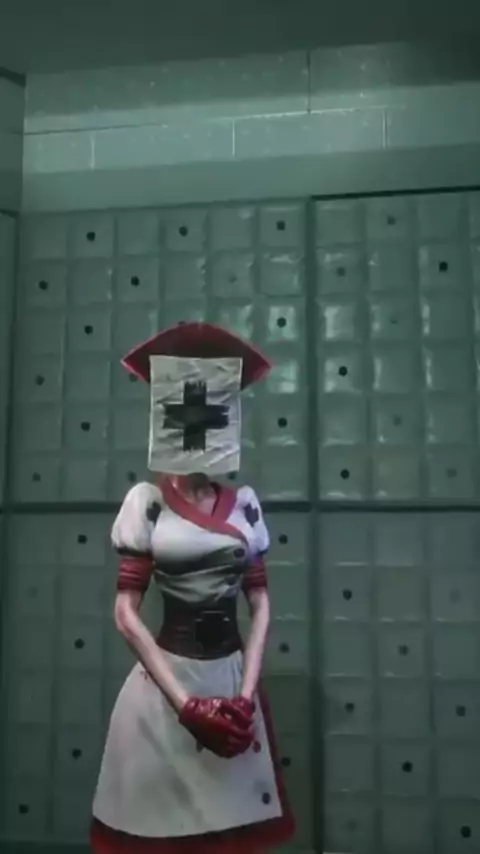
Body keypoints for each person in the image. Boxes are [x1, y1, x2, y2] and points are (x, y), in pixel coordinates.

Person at [90, 322, 295, 854]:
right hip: (166, 687)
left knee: (227, 830)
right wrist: (186, 707)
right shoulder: (147, 504)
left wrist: (244, 699)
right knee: (158, 825)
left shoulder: (244, 505)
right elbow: (125, 614)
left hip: (229, 679)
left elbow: (261, 604)